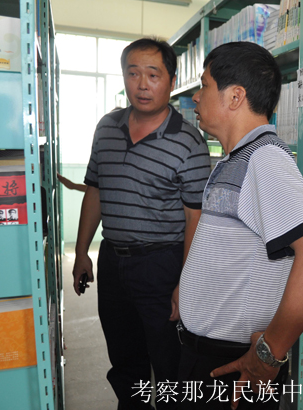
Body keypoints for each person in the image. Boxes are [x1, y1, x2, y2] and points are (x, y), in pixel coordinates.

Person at [177, 42, 303, 409]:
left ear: (235, 96)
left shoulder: (264, 158)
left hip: (233, 367)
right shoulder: (238, 157)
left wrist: (269, 353)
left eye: (204, 86)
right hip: (208, 355)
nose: (195, 98)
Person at [73, 37, 211, 410]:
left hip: (161, 265)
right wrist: (83, 252)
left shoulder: (189, 142)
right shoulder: (106, 128)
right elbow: (95, 191)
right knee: (124, 359)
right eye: (133, 74)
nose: (142, 84)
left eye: (153, 74)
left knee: (169, 363)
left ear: (171, 81)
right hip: (112, 260)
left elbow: (195, 218)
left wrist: (185, 282)